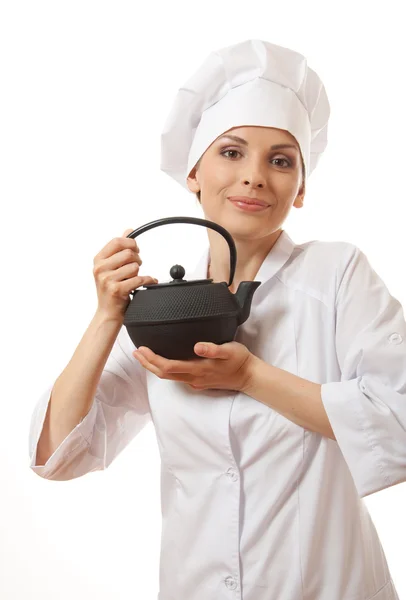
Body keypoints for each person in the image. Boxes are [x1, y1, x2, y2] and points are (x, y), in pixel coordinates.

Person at [28, 40, 406, 600]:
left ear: (300, 188)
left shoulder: (336, 273)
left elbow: (398, 419)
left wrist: (251, 376)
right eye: (231, 152)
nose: (254, 176)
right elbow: (58, 454)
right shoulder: (163, 315)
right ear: (193, 173)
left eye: (280, 160)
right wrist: (108, 316)